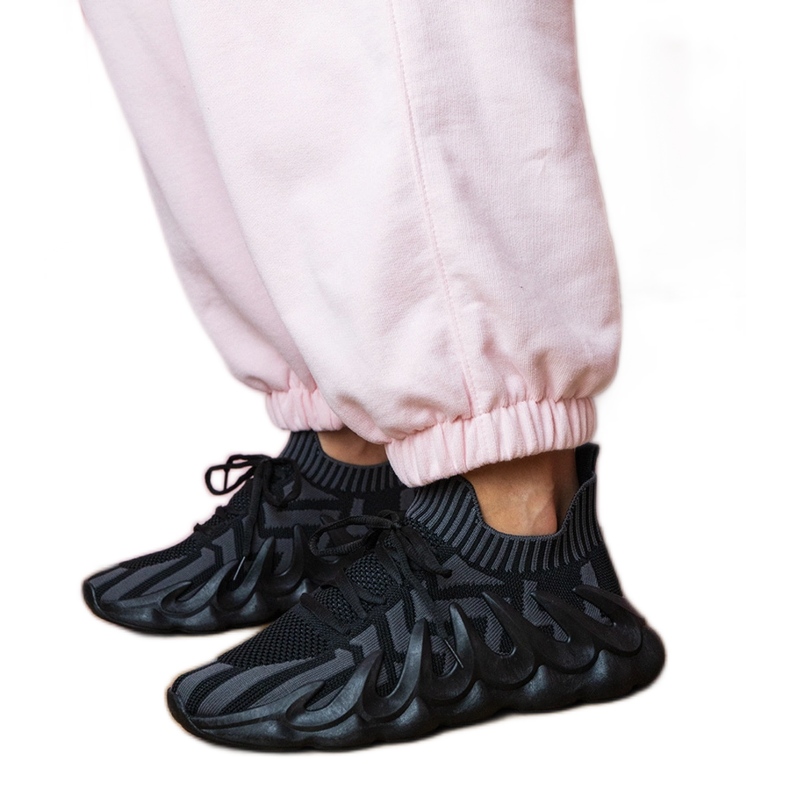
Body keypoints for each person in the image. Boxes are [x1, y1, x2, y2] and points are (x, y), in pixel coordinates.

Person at [80, 1, 664, 749]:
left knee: (383, 30)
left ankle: (519, 538)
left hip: (518, 525)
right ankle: (349, 464)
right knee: (212, 45)